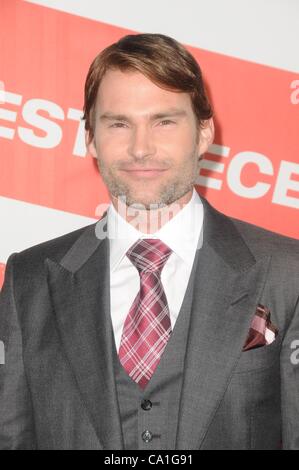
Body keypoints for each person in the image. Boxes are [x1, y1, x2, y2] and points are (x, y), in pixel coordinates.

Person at [0, 33, 298, 451]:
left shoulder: (288, 273)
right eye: (119, 123)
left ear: (204, 133)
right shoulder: (29, 280)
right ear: (90, 138)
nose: (141, 148)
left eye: (164, 121)